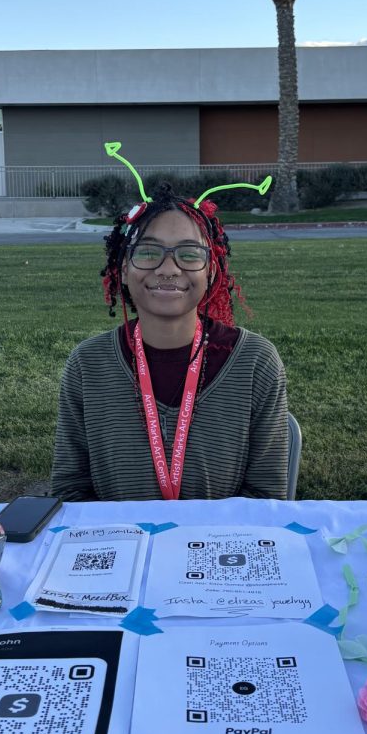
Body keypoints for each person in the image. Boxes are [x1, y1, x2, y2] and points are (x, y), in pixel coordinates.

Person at [51, 182, 289, 502]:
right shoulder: (88, 364)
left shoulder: (255, 362)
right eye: (148, 252)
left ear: (211, 270)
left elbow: (266, 495)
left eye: (189, 254)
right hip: (123, 547)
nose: (168, 269)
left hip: (214, 546)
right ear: (122, 268)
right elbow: (70, 490)